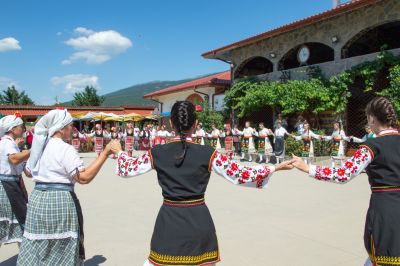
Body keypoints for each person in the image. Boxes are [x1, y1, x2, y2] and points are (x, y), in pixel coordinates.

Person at [109, 101, 294, 266]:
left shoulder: (157, 152)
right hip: (199, 223)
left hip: (168, 223)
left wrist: (119, 151)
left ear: (171, 124)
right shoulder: (208, 153)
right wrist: (274, 168)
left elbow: (127, 168)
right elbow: (239, 174)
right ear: (196, 125)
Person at [291, 97, 400, 266]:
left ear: (372, 118)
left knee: (383, 259)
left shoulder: (371, 146)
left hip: (385, 211)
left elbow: (343, 173)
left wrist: (308, 169)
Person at [17, 109, 112, 266]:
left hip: (38, 199)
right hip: (59, 200)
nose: (73, 129)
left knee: (40, 244)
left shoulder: (39, 147)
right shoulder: (65, 149)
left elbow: (28, 172)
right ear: (61, 128)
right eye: (71, 125)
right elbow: (83, 177)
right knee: (61, 246)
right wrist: (105, 153)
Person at [0, 114, 30, 247]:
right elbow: (13, 159)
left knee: (19, 222)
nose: (23, 129)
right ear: (12, 129)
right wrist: (32, 150)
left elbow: (24, 169)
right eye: (21, 127)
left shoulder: (9, 143)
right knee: (21, 220)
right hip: (8, 186)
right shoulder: (7, 142)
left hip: (11, 185)